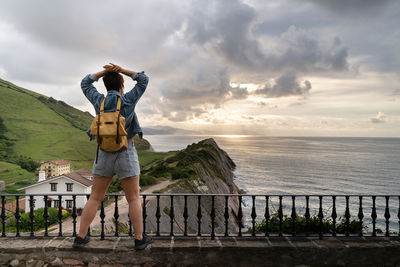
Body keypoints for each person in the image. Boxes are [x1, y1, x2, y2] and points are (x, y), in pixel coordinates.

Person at [72, 63, 152, 250]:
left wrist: (105, 72)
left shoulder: (98, 100)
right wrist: (121, 70)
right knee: (133, 198)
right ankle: (139, 239)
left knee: (95, 197)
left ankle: (80, 237)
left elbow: (85, 83)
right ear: (122, 85)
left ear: (106, 85)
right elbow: (143, 79)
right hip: (126, 151)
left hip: (103, 154)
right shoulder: (127, 100)